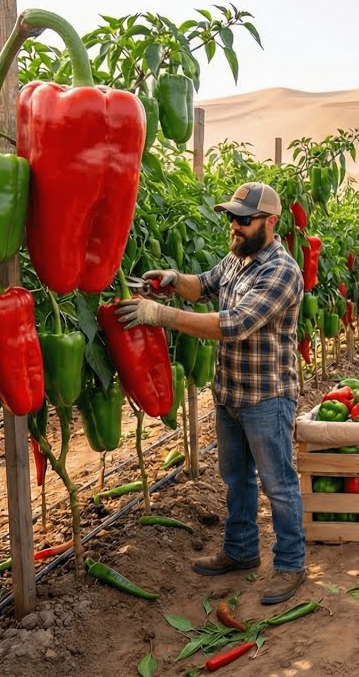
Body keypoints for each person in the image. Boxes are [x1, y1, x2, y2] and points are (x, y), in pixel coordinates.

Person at [115, 182, 308, 605]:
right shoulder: (238, 258)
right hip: (230, 392)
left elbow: (234, 323)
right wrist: (171, 280)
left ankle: (291, 564)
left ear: (270, 223)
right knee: (237, 478)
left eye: (244, 219)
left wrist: (158, 313)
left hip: (267, 398)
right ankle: (240, 552)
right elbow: (204, 283)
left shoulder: (281, 271)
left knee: (279, 485)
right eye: (231, 217)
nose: (234, 226)